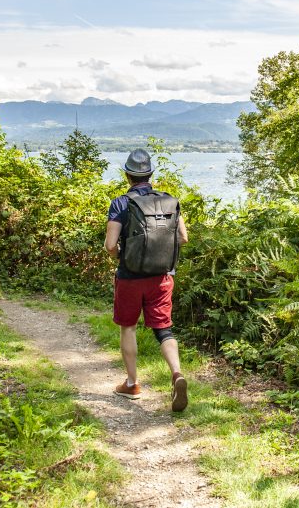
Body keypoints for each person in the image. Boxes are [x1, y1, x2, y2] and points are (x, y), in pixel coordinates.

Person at [104, 148, 190, 412]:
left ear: (127, 175)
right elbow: (184, 238)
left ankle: (132, 384)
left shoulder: (121, 203)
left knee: (128, 327)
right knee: (164, 328)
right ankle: (177, 374)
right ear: (150, 174)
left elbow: (110, 245)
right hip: (162, 277)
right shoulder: (168, 201)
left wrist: (123, 257)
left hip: (130, 277)